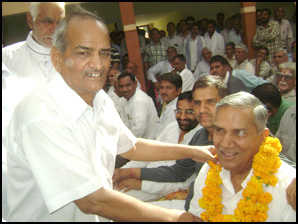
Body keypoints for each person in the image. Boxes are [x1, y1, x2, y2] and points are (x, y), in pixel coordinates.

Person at [6, 10, 218, 222]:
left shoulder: (99, 98)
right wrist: (176, 218)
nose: (98, 64)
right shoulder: (41, 115)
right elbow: (92, 201)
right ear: (57, 58)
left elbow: (131, 146)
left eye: (104, 53)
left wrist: (193, 152)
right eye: (84, 53)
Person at [113, 75, 228, 211]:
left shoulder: (231, 138)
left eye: (210, 102)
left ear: (225, 102)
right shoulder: (200, 135)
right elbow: (178, 172)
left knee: (130, 211)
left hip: (216, 209)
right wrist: (129, 172)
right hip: (194, 202)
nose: (202, 109)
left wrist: (139, 182)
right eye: (197, 103)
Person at [188, 91, 296, 222]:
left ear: (263, 136)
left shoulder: (287, 188)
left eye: (239, 132)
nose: (226, 143)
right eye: (220, 130)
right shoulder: (209, 169)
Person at [115, 91, 202, 202]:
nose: (182, 116)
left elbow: (183, 183)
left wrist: (141, 184)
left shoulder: (199, 138)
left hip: (157, 187)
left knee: (115, 202)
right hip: (143, 175)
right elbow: (147, 156)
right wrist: (121, 173)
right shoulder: (172, 127)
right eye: (179, 111)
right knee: (108, 189)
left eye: (189, 112)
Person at [2, 2, 65, 86]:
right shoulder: (6, 59)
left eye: (60, 22)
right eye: (48, 21)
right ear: (30, 20)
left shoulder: (75, 58)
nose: (54, 29)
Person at [118, 72, 158, 139]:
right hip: (136, 141)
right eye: (121, 86)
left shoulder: (139, 100)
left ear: (135, 84)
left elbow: (140, 129)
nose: (124, 89)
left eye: (128, 85)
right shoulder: (125, 99)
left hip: (147, 142)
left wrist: (125, 140)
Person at [150, 73, 182, 140]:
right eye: (161, 87)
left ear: (178, 91)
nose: (164, 91)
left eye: (168, 88)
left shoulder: (175, 109)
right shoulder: (168, 106)